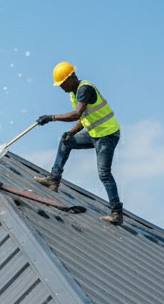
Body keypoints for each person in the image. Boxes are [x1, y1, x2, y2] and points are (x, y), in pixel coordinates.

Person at [33, 61, 124, 225]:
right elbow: (83, 118)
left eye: (62, 83)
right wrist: (72, 132)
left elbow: (76, 114)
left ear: (71, 78)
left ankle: (117, 213)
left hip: (107, 135)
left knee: (104, 173)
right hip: (93, 133)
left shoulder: (84, 89)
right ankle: (54, 179)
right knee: (65, 140)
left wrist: (51, 118)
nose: (61, 88)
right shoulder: (74, 93)